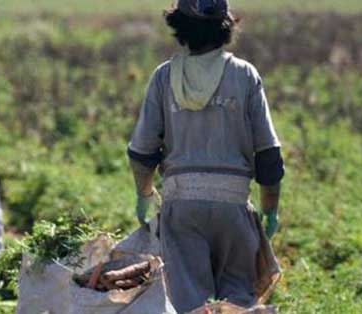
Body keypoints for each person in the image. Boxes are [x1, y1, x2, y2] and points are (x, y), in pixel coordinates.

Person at [127, 0, 284, 312]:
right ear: (225, 27)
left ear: (179, 27)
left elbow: (142, 152)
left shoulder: (164, 77)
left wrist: (144, 195)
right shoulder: (244, 75)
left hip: (182, 209)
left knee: (188, 302)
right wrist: (270, 210)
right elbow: (268, 156)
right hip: (234, 209)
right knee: (239, 298)